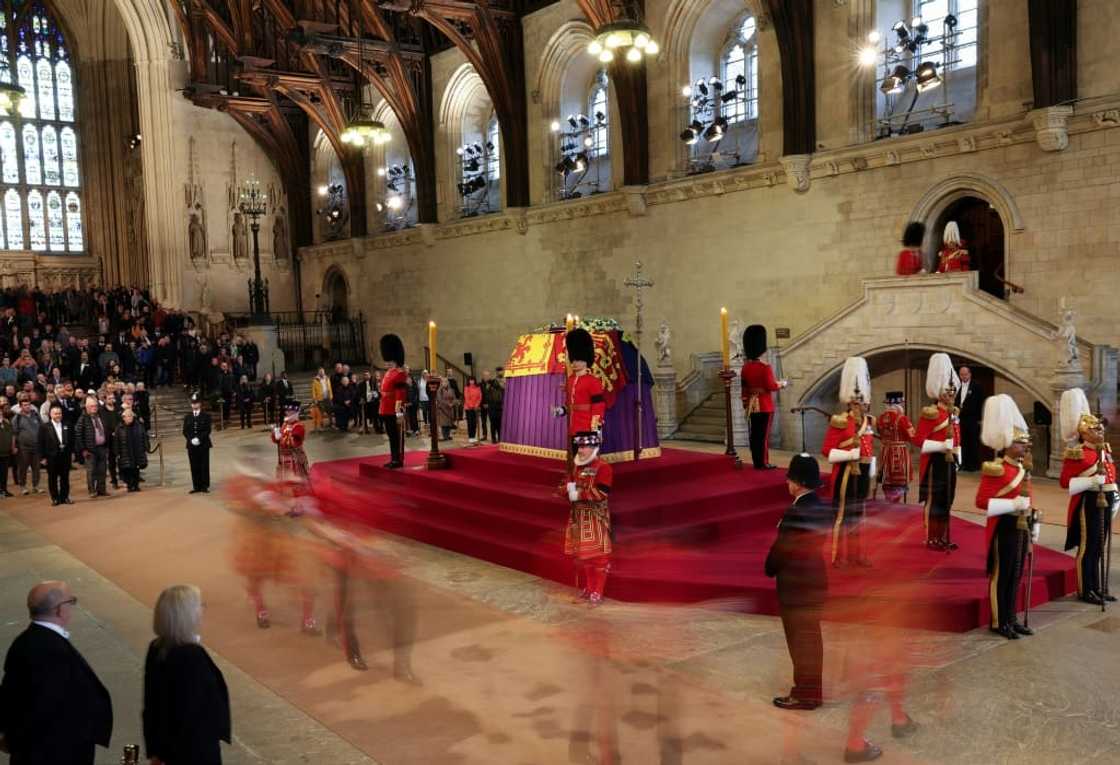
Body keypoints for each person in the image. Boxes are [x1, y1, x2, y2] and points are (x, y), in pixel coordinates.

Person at [0, 580, 113, 763]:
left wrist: (11, 736)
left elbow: (10, 694)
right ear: (60, 609)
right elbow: (42, 708)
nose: (72, 606)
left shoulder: (24, 641)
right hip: (57, 753)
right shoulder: (52, 650)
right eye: (72, 601)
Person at [765, 453, 827, 711]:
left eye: (790, 477)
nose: (787, 482)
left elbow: (781, 551)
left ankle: (804, 693)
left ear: (799, 482)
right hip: (814, 581)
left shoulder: (796, 512)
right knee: (812, 639)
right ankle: (812, 690)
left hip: (796, 587)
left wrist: (770, 568)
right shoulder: (821, 506)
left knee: (800, 640)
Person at [143, 585, 231, 765]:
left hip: (168, 749)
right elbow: (191, 714)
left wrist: (156, 751)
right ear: (186, 616)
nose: (202, 610)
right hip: (194, 752)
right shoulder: (191, 656)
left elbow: (151, 705)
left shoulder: (157, 647)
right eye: (199, 606)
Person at [975, 394, 1039, 640]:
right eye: (1021, 443)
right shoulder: (997, 468)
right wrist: (1012, 503)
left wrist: (1033, 520)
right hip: (1004, 526)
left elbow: (1028, 500)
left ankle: (1012, 618)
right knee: (1003, 574)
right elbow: (980, 502)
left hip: (1021, 525)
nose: (1025, 447)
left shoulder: (1023, 468)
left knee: (1017, 572)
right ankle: (998, 620)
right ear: (1010, 444)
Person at [1058, 388, 1117, 605]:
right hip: (1089, 503)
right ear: (1084, 433)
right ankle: (1085, 589)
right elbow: (1065, 483)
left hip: (1106, 501)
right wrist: (1092, 482)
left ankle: (1097, 586)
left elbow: (1111, 478)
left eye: (1100, 429)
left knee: (1099, 546)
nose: (1100, 432)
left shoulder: (1104, 450)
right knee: (1088, 546)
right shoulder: (1078, 454)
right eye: (1095, 430)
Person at [821, 357, 874, 567]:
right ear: (849, 400)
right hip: (844, 473)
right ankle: (838, 556)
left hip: (862, 472)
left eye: (861, 399)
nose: (859, 402)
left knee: (858, 517)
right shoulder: (840, 421)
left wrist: (872, 471)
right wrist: (849, 456)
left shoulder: (869, 421)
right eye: (856, 399)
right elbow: (827, 451)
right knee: (843, 517)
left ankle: (856, 554)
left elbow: (869, 449)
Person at [915, 354, 961, 551]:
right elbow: (918, 440)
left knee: (947, 500)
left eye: (952, 390)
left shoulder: (953, 413)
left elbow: (958, 440)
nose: (951, 394)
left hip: (950, 462)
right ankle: (931, 537)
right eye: (947, 390)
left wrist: (958, 458)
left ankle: (942, 536)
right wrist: (942, 447)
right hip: (936, 462)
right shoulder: (931, 413)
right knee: (935, 501)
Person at [564, 431, 613, 605]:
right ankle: (590, 587)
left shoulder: (604, 467)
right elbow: (567, 487)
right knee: (584, 556)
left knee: (598, 557)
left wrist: (578, 494)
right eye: (579, 446)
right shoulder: (576, 467)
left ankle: (598, 591)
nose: (581, 450)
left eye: (584, 447)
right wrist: (565, 489)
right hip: (578, 518)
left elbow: (602, 493)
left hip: (595, 518)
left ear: (593, 448)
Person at [740, 324, 787, 470]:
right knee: (763, 436)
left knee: (755, 434)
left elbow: (744, 388)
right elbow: (771, 386)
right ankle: (763, 462)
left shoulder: (745, 367)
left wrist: (745, 403)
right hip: (764, 404)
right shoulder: (764, 367)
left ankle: (756, 461)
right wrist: (782, 384)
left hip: (752, 405)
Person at [554, 328, 605, 445]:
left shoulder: (593, 381)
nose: (574, 363)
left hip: (587, 427)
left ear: (586, 360)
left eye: (578, 359)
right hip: (574, 427)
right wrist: (561, 410)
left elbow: (598, 405)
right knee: (578, 458)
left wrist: (595, 426)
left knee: (587, 458)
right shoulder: (571, 380)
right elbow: (571, 404)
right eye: (574, 359)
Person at [876, 391, 914, 503]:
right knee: (898, 482)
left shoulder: (881, 418)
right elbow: (911, 436)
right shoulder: (902, 418)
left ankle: (889, 501)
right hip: (898, 452)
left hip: (885, 452)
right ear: (898, 405)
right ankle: (894, 504)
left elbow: (880, 432)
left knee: (887, 480)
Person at [379, 335, 409, 469]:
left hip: (394, 409)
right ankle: (394, 458)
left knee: (396, 435)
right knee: (391, 435)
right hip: (385, 407)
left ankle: (397, 459)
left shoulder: (399, 373)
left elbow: (400, 394)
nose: (387, 362)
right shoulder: (389, 372)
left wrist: (398, 413)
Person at [74, 396, 110, 497]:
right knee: (91, 472)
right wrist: (83, 449)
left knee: (102, 470)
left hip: (102, 447)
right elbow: (78, 435)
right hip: (90, 450)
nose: (95, 408)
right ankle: (92, 491)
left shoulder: (100, 416)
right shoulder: (83, 418)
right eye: (92, 406)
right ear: (87, 407)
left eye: (95, 406)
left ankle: (101, 490)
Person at [38, 403, 72, 505]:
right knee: (52, 478)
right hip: (51, 457)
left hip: (65, 456)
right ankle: (55, 498)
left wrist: (72, 453)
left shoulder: (67, 424)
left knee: (65, 478)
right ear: (51, 415)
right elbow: (40, 443)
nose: (58, 415)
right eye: (56, 414)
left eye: (60, 413)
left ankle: (65, 497)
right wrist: (42, 457)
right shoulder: (44, 427)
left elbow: (72, 440)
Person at [954, 365, 985, 472]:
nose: (963, 376)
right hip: (961, 419)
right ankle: (963, 464)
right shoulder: (957, 387)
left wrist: (980, 419)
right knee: (962, 442)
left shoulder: (977, 386)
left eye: (965, 374)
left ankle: (973, 465)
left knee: (973, 442)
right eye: (961, 374)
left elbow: (981, 403)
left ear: (970, 374)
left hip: (973, 419)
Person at [113, 408, 148, 492]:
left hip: (136, 450)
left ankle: (136, 485)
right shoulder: (119, 427)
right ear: (123, 417)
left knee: (136, 469)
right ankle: (129, 485)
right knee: (127, 469)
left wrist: (146, 447)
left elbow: (144, 437)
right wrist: (117, 452)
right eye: (127, 416)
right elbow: (116, 441)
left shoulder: (139, 426)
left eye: (131, 416)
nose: (129, 418)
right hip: (125, 451)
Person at [183, 393, 212, 494]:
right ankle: (196, 486)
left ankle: (204, 485)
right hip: (191, 445)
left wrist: (198, 438)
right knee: (194, 465)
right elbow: (185, 431)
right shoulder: (188, 417)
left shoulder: (206, 416)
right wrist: (191, 439)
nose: (194, 405)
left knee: (204, 464)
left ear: (200, 404)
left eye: (196, 403)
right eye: (193, 403)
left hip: (203, 444)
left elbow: (207, 430)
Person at [12, 395, 41, 495]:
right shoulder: (17, 418)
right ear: (21, 407)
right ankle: (23, 486)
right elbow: (14, 434)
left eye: (28, 405)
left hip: (36, 446)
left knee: (36, 467)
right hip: (23, 448)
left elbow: (42, 429)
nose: (27, 407)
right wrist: (14, 446)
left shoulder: (36, 415)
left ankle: (36, 486)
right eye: (25, 405)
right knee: (23, 467)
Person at [272, 402, 309, 481]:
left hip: (295, 457)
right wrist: (275, 435)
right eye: (287, 410)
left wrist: (281, 438)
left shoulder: (298, 426)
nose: (287, 412)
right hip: (284, 458)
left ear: (295, 412)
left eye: (289, 411)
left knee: (297, 478)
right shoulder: (284, 424)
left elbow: (294, 443)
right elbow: (278, 440)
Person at [482, 369, 504, 443]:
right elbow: (486, 394)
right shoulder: (489, 384)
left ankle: (500, 438)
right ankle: (494, 439)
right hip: (492, 407)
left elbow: (503, 392)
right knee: (493, 424)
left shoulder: (500, 385)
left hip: (499, 407)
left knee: (499, 424)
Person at [356, 370, 378, 434]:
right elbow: (358, 394)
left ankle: (376, 428)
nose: (366, 376)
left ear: (370, 375)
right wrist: (360, 399)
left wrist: (375, 395)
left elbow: (377, 393)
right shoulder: (360, 384)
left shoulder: (374, 383)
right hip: (365, 403)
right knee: (364, 416)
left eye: (367, 375)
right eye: (365, 375)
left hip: (373, 402)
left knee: (375, 415)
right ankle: (365, 428)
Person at [310, 367, 332, 432]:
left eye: (322, 371)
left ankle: (331, 423)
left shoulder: (327, 378)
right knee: (321, 413)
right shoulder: (315, 380)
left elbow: (330, 387)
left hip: (327, 398)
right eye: (320, 372)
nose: (322, 373)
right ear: (318, 372)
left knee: (329, 411)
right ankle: (321, 426)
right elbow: (313, 390)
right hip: (320, 399)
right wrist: (315, 399)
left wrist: (331, 396)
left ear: (324, 372)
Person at [436, 376, 456, 441]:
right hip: (442, 409)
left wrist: (452, 403)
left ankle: (447, 436)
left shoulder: (451, 390)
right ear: (441, 383)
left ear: (448, 382)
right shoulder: (439, 390)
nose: (445, 383)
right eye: (443, 382)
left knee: (449, 423)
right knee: (443, 424)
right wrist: (448, 404)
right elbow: (440, 400)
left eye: (446, 382)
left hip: (450, 409)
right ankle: (443, 436)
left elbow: (454, 398)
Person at [464, 376, 482, 445]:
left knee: (474, 423)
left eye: (473, 380)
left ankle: (473, 436)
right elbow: (466, 397)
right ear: (469, 381)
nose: (471, 382)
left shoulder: (478, 387)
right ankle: (470, 437)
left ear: (475, 381)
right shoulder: (466, 388)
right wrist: (471, 406)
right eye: (470, 380)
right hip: (468, 408)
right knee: (470, 423)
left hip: (475, 408)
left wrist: (476, 405)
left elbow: (480, 397)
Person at [0, 409, 13, 497]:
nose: (0, 415)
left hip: (6, 453)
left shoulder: (6, 423)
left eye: (1, 413)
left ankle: (4, 490)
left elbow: (11, 435)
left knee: (4, 473)